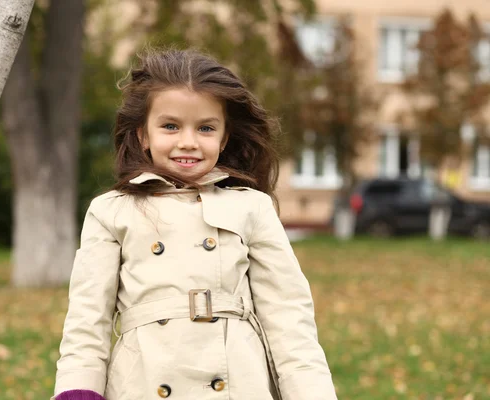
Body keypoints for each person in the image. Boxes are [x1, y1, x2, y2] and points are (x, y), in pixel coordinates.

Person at [53, 48, 337, 400]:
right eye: (170, 126)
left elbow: (289, 321)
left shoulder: (252, 208)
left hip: (238, 385)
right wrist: (78, 390)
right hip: (143, 383)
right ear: (143, 134)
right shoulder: (111, 212)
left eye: (205, 128)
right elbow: (87, 322)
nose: (187, 142)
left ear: (224, 137)